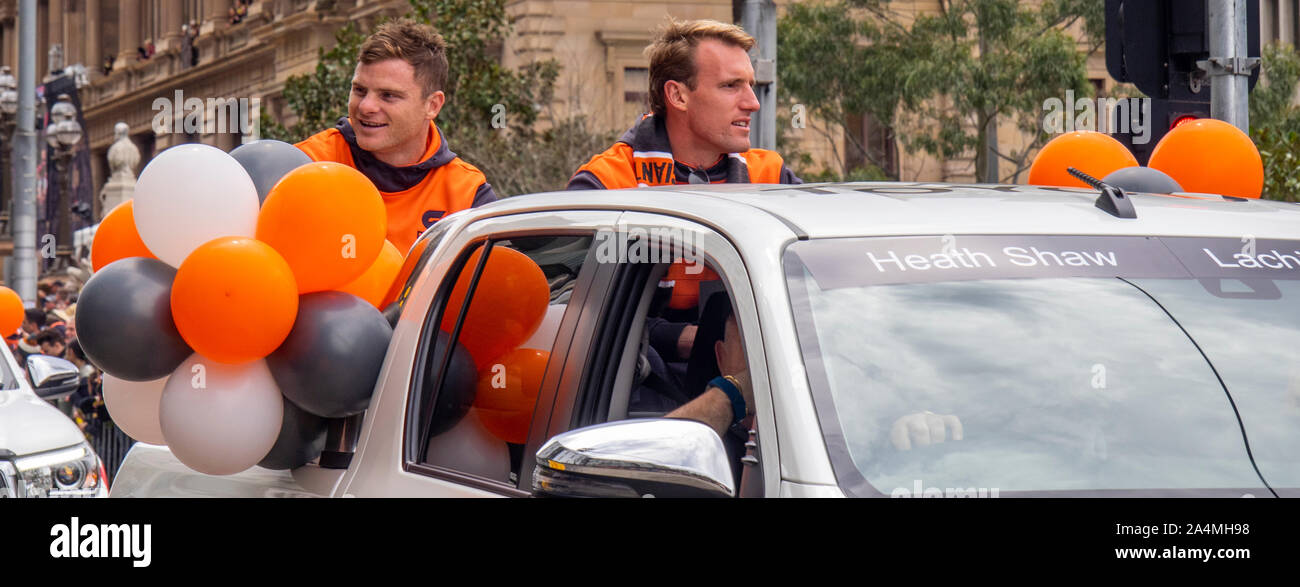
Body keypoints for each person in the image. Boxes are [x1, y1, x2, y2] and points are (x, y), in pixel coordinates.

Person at [296, 18, 498, 254]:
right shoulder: (308, 162)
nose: (366, 106)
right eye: (359, 90)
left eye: (388, 95)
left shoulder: (467, 194)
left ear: (432, 105)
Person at [568, 19, 801, 190]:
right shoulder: (606, 184)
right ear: (678, 96)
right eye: (730, 86)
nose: (753, 103)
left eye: (751, 85)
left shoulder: (771, 176)